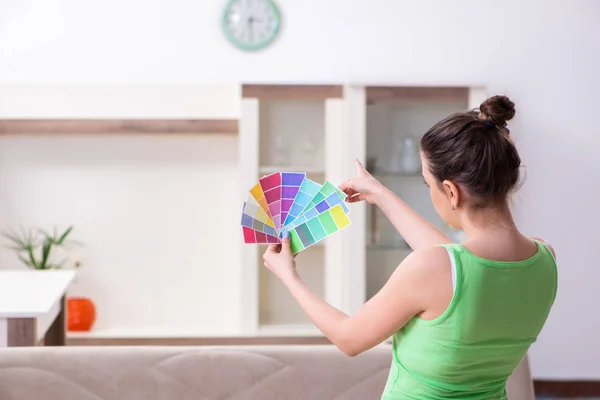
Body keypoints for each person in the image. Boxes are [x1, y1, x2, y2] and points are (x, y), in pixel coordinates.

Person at [262, 95, 558, 399]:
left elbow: (349, 338)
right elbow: (460, 266)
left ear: (451, 192)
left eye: (426, 184)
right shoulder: (545, 259)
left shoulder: (436, 269)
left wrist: (288, 275)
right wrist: (380, 195)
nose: (430, 192)